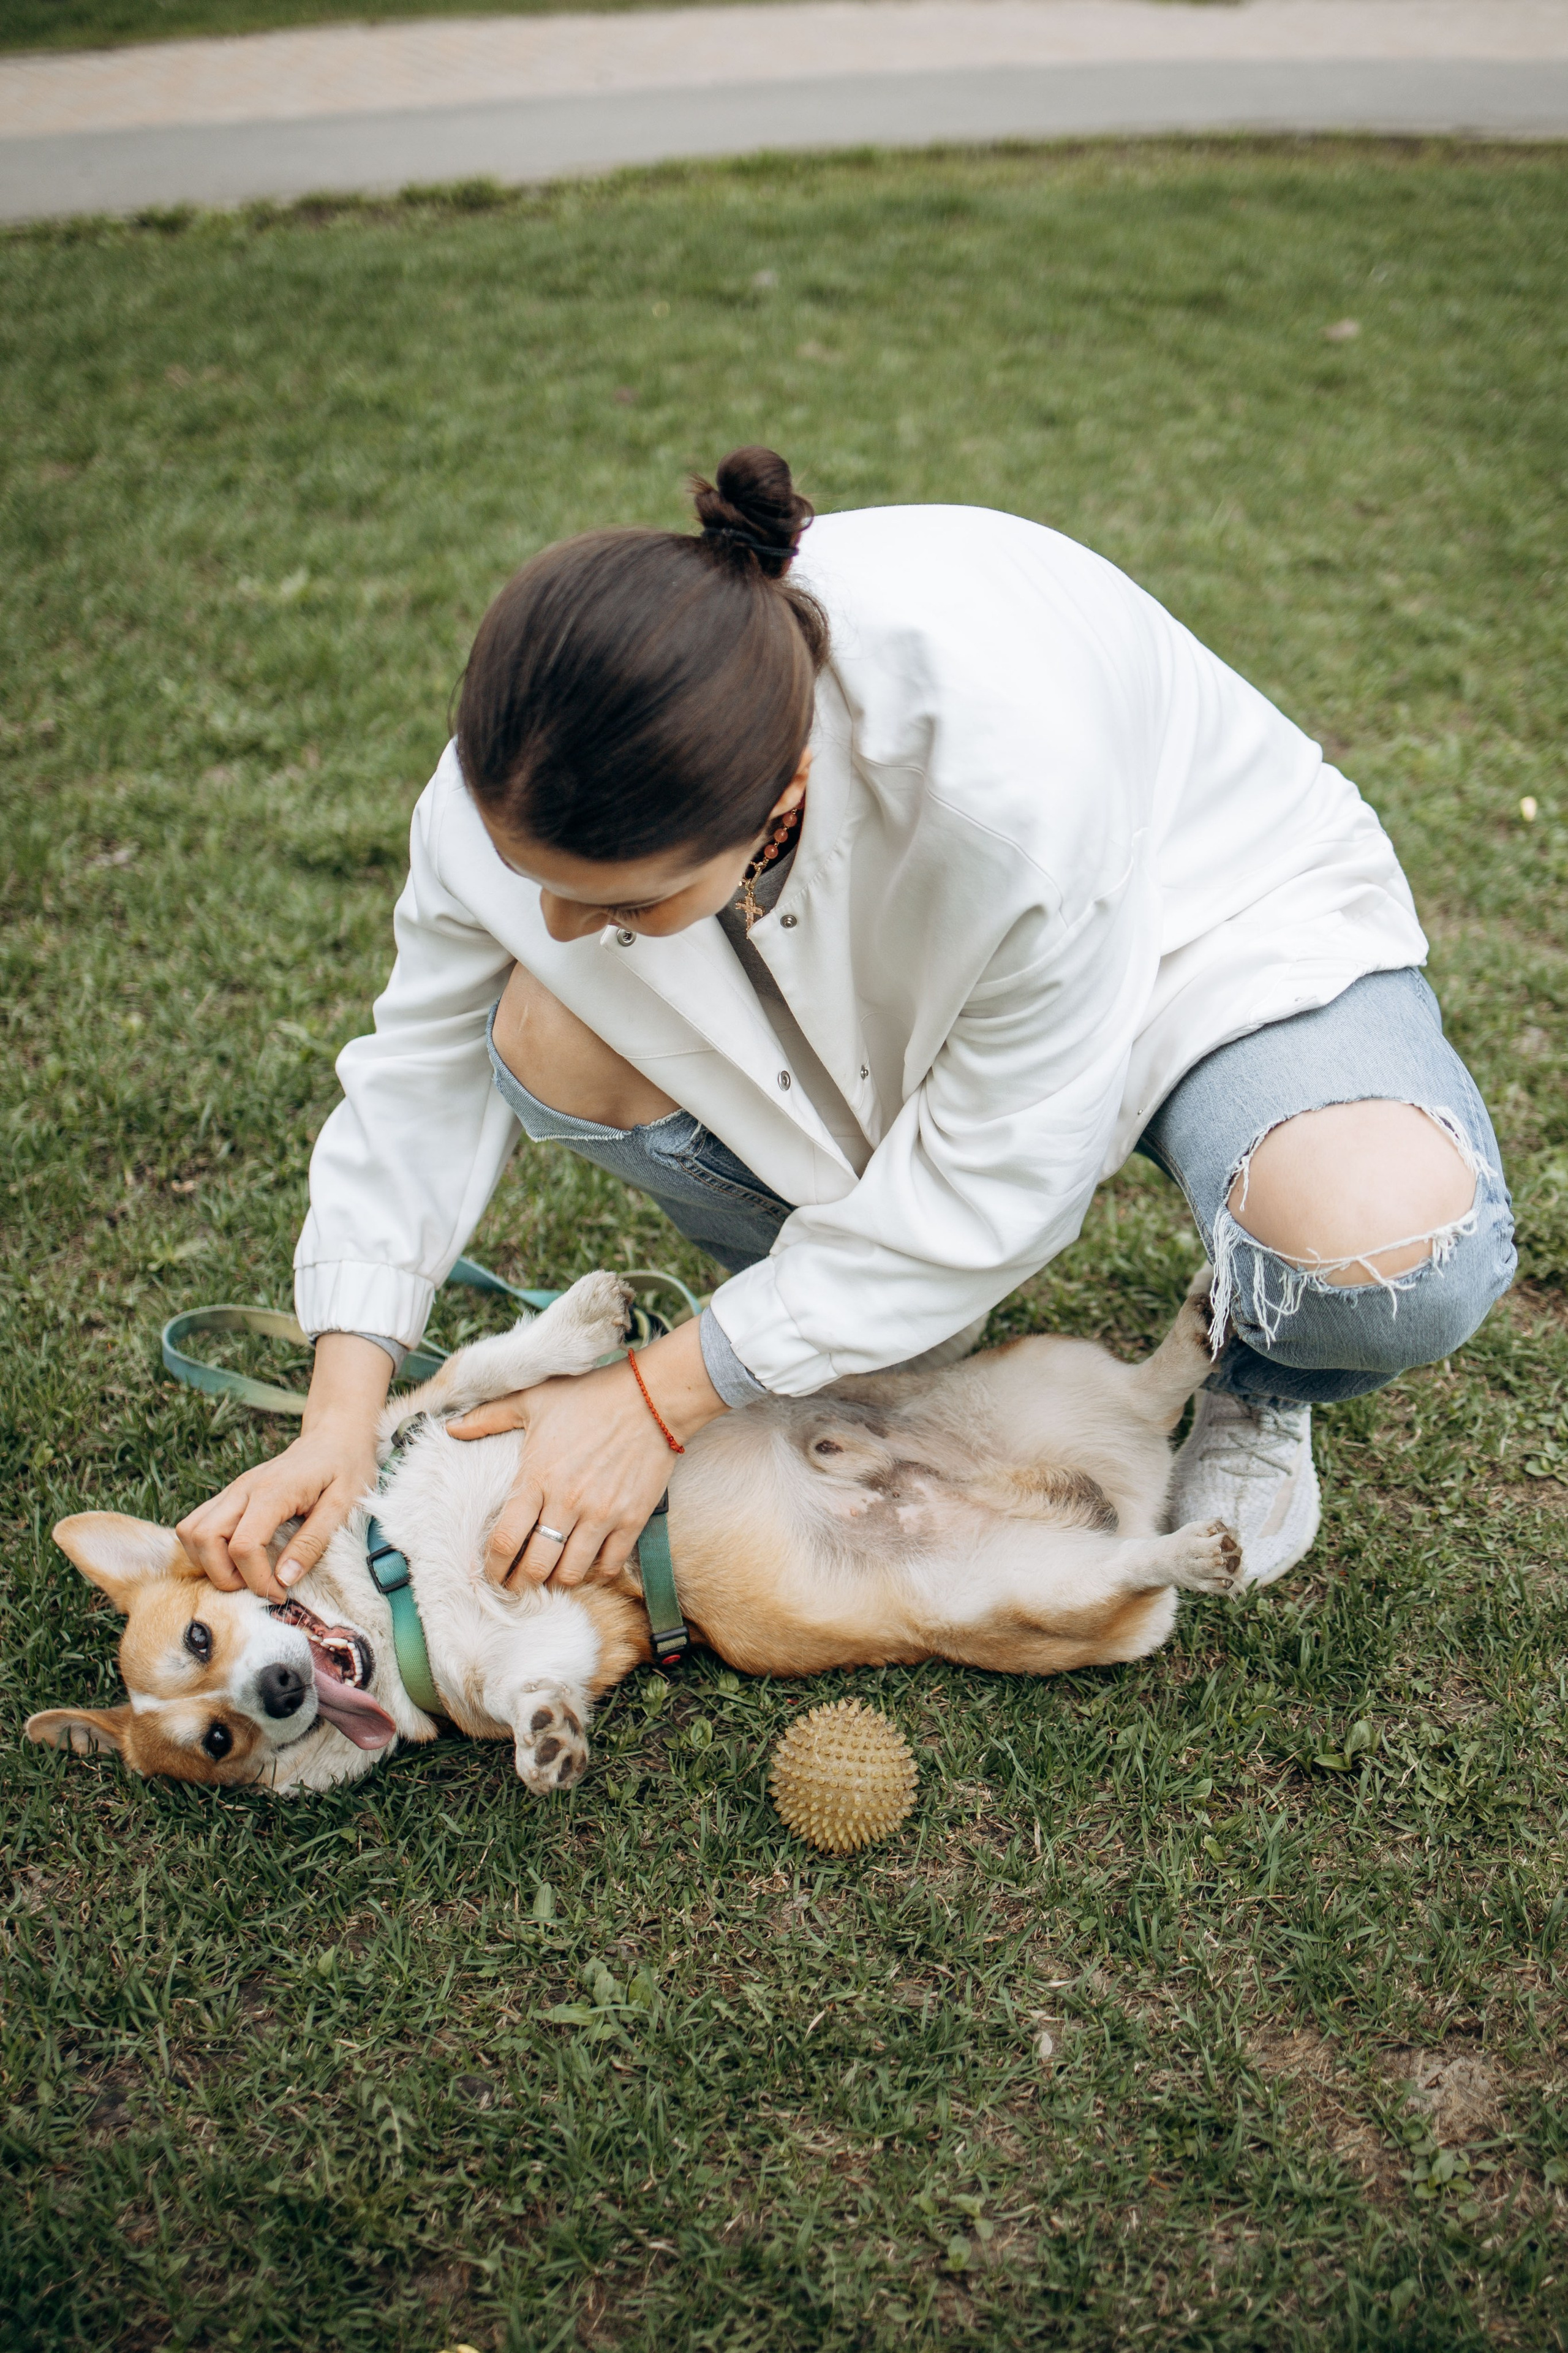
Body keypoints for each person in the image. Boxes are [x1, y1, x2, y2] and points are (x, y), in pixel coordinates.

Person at [176, 448, 1515, 1606]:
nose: (561, 925)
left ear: (782, 799)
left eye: (618, 901)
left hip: (1202, 936)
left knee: (1377, 1244)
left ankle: (1258, 1367)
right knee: (544, 1028)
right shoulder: (534, 765)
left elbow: (1004, 1171)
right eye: (535, 882)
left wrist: (653, 1398)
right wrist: (342, 1417)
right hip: (893, 998)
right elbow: (418, 1071)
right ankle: (850, 1325)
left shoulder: (1005, 773)